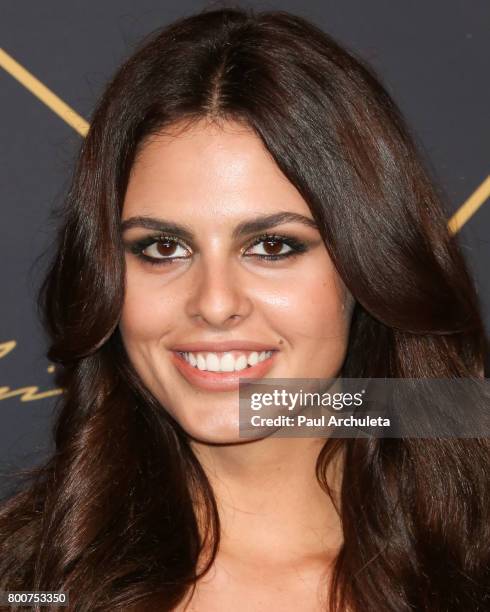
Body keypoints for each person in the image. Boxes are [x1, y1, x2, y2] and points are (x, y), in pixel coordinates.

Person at [0, 7, 489, 612]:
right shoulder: (26, 582)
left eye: (272, 246)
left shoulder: (473, 563)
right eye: (163, 247)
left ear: (369, 266)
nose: (214, 303)